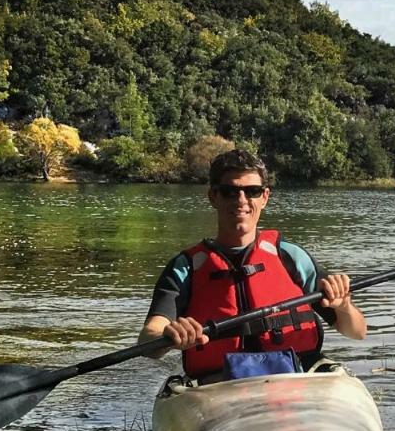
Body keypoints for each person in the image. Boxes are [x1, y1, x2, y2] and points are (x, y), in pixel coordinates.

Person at [140, 149, 366, 382]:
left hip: (295, 382)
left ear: (264, 197)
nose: (241, 200)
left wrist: (344, 307)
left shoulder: (291, 256)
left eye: (252, 191)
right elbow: (149, 339)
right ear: (213, 197)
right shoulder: (185, 267)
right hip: (219, 388)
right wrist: (168, 335)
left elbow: (357, 331)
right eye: (230, 191)